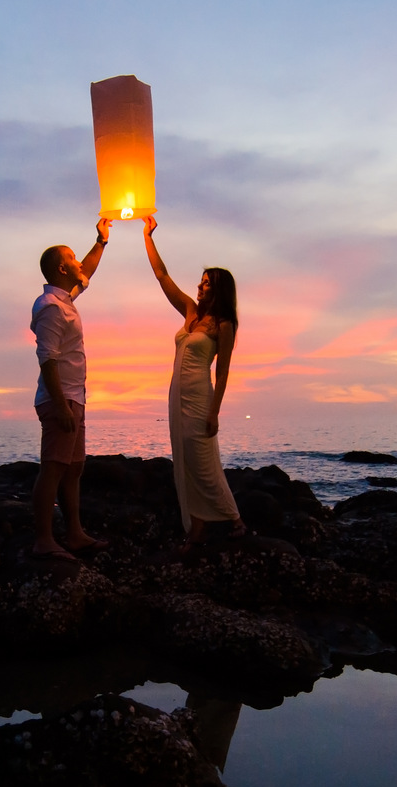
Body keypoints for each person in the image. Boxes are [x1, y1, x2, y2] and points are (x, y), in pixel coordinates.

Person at [141, 216, 247, 545]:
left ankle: (234, 520)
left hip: (201, 397)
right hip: (177, 395)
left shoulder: (223, 324)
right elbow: (162, 275)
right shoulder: (190, 311)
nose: (199, 288)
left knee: (203, 462)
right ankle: (197, 529)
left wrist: (214, 412)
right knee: (185, 461)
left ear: (218, 290)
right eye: (200, 282)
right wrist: (148, 236)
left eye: (206, 284)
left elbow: (223, 370)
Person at [30, 219, 112, 560]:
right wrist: (61, 406)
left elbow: (85, 274)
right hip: (60, 399)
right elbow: (46, 359)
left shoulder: (64, 301)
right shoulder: (50, 307)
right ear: (62, 267)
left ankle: (74, 533)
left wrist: (101, 242)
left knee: (74, 467)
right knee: (53, 466)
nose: (80, 262)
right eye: (74, 257)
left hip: (74, 397)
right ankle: (44, 540)